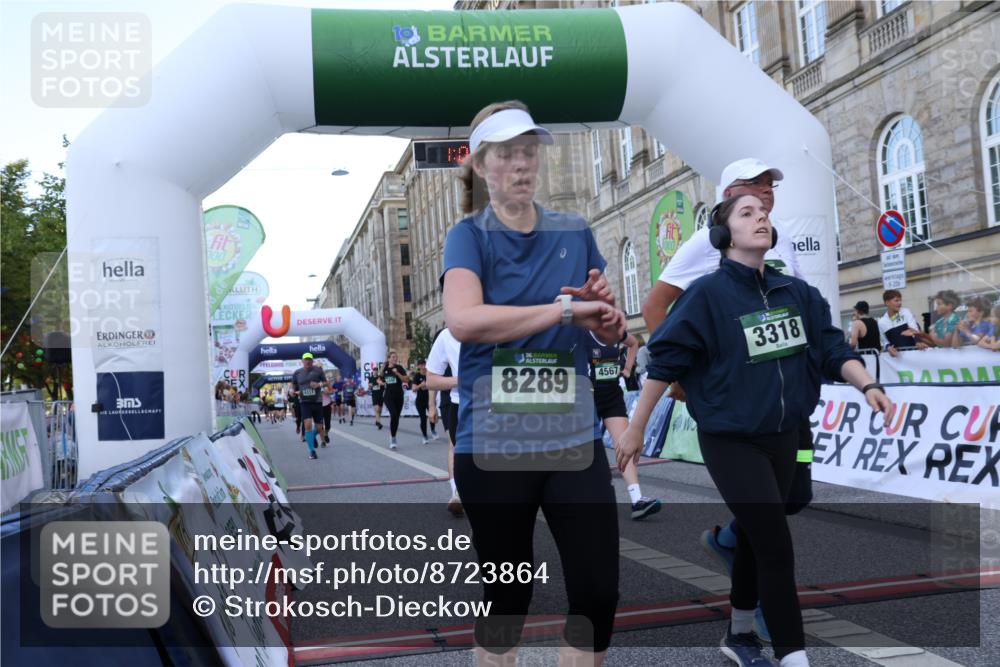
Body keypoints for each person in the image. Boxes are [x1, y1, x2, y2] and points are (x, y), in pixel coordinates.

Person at [617, 194, 893, 667]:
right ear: (723, 236)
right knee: (775, 544)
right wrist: (635, 428)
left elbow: (830, 348)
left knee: (766, 522)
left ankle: (739, 635)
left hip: (788, 436)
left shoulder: (797, 293)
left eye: (763, 212)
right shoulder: (706, 295)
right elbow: (666, 363)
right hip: (731, 439)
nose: (761, 216)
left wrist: (866, 383)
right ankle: (793, 657)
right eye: (746, 213)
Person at [442, 100, 626, 664]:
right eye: (507, 155)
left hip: (571, 436)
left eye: (529, 152)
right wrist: (562, 312)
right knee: (508, 598)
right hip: (495, 442)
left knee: (597, 593)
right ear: (481, 165)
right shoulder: (467, 236)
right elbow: (465, 321)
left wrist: (610, 323)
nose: (522, 165)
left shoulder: (575, 230)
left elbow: (596, 324)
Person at [640, 157, 812, 642]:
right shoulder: (709, 242)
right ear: (730, 193)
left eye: (770, 184)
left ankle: (730, 538)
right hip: (738, 408)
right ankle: (758, 617)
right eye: (755, 185)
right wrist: (684, 376)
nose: (767, 191)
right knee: (771, 522)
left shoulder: (779, 236)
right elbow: (655, 306)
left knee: (794, 499)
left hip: (787, 402)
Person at [589, 337, 662, 520]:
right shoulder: (580, 329)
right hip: (586, 396)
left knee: (625, 446)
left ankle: (637, 500)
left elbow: (634, 343)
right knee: (585, 450)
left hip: (612, 396)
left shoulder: (613, 328)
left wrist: (628, 368)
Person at [426, 327, 463, 516]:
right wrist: (431, 405)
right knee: (453, 444)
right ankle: (456, 490)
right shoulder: (445, 335)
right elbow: (432, 376)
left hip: (483, 395)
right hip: (451, 397)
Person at [289, 352, 328, 460]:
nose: (308, 361)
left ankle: (311, 437)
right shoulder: (297, 372)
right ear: (302, 361)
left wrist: (318, 384)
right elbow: (293, 384)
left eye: (310, 359)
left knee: (319, 428)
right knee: (308, 425)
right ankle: (312, 451)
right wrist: (292, 390)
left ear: (312, 360)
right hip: (304, 402)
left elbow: (326, 382)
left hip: (317, 401)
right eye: (306, 359)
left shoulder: (318, 371)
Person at [877, 289, 928, 355]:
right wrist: (888, 348)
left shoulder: (906, 312)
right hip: (897, 359)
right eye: (896, 300)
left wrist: (917, 341)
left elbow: (914, 329)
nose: (900, 303)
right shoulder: (881, 322)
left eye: (900, 300)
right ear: (887, 302)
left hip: (914, 353)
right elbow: (884, 341)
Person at [381, 350, 408, 449]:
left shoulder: (399, 368)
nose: (395, 358)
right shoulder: (385, 369)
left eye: (396, 357)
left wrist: (398, 374)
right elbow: (380, 378)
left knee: (396, 417)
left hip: (399, 395)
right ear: (389, 359)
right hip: (388, 395)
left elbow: (406, 379)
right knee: (393, 414)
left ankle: (393, 435)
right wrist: (381, 381)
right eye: (393, 357)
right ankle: (393, 438)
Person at [409, 359, 434, 444]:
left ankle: (433, 430)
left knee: (432, 416)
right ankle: (424, 436)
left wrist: (426, 386)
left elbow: (434, 385)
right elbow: (413, 389)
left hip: (429, 399)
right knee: (423, 419)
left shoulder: (429, 375)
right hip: (420, 401)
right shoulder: (417, 376)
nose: (424, 366)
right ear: (419, 366)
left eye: (425, 364)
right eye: (422, 365)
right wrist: (421, 385)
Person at [369, 365, 385, 430]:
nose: (375, 372)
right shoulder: (371, 378)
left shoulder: (380, 377)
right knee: (377, 409)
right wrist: (370, 385)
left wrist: (382, 384)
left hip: (380, 395)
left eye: (376, 371)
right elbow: (369, 386)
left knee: (380, 410)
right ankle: (379, 423)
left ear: (377, 371)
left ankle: (377, 420)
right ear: (372, 372)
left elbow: (383, 385)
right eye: (374, 371)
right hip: (374, 395)